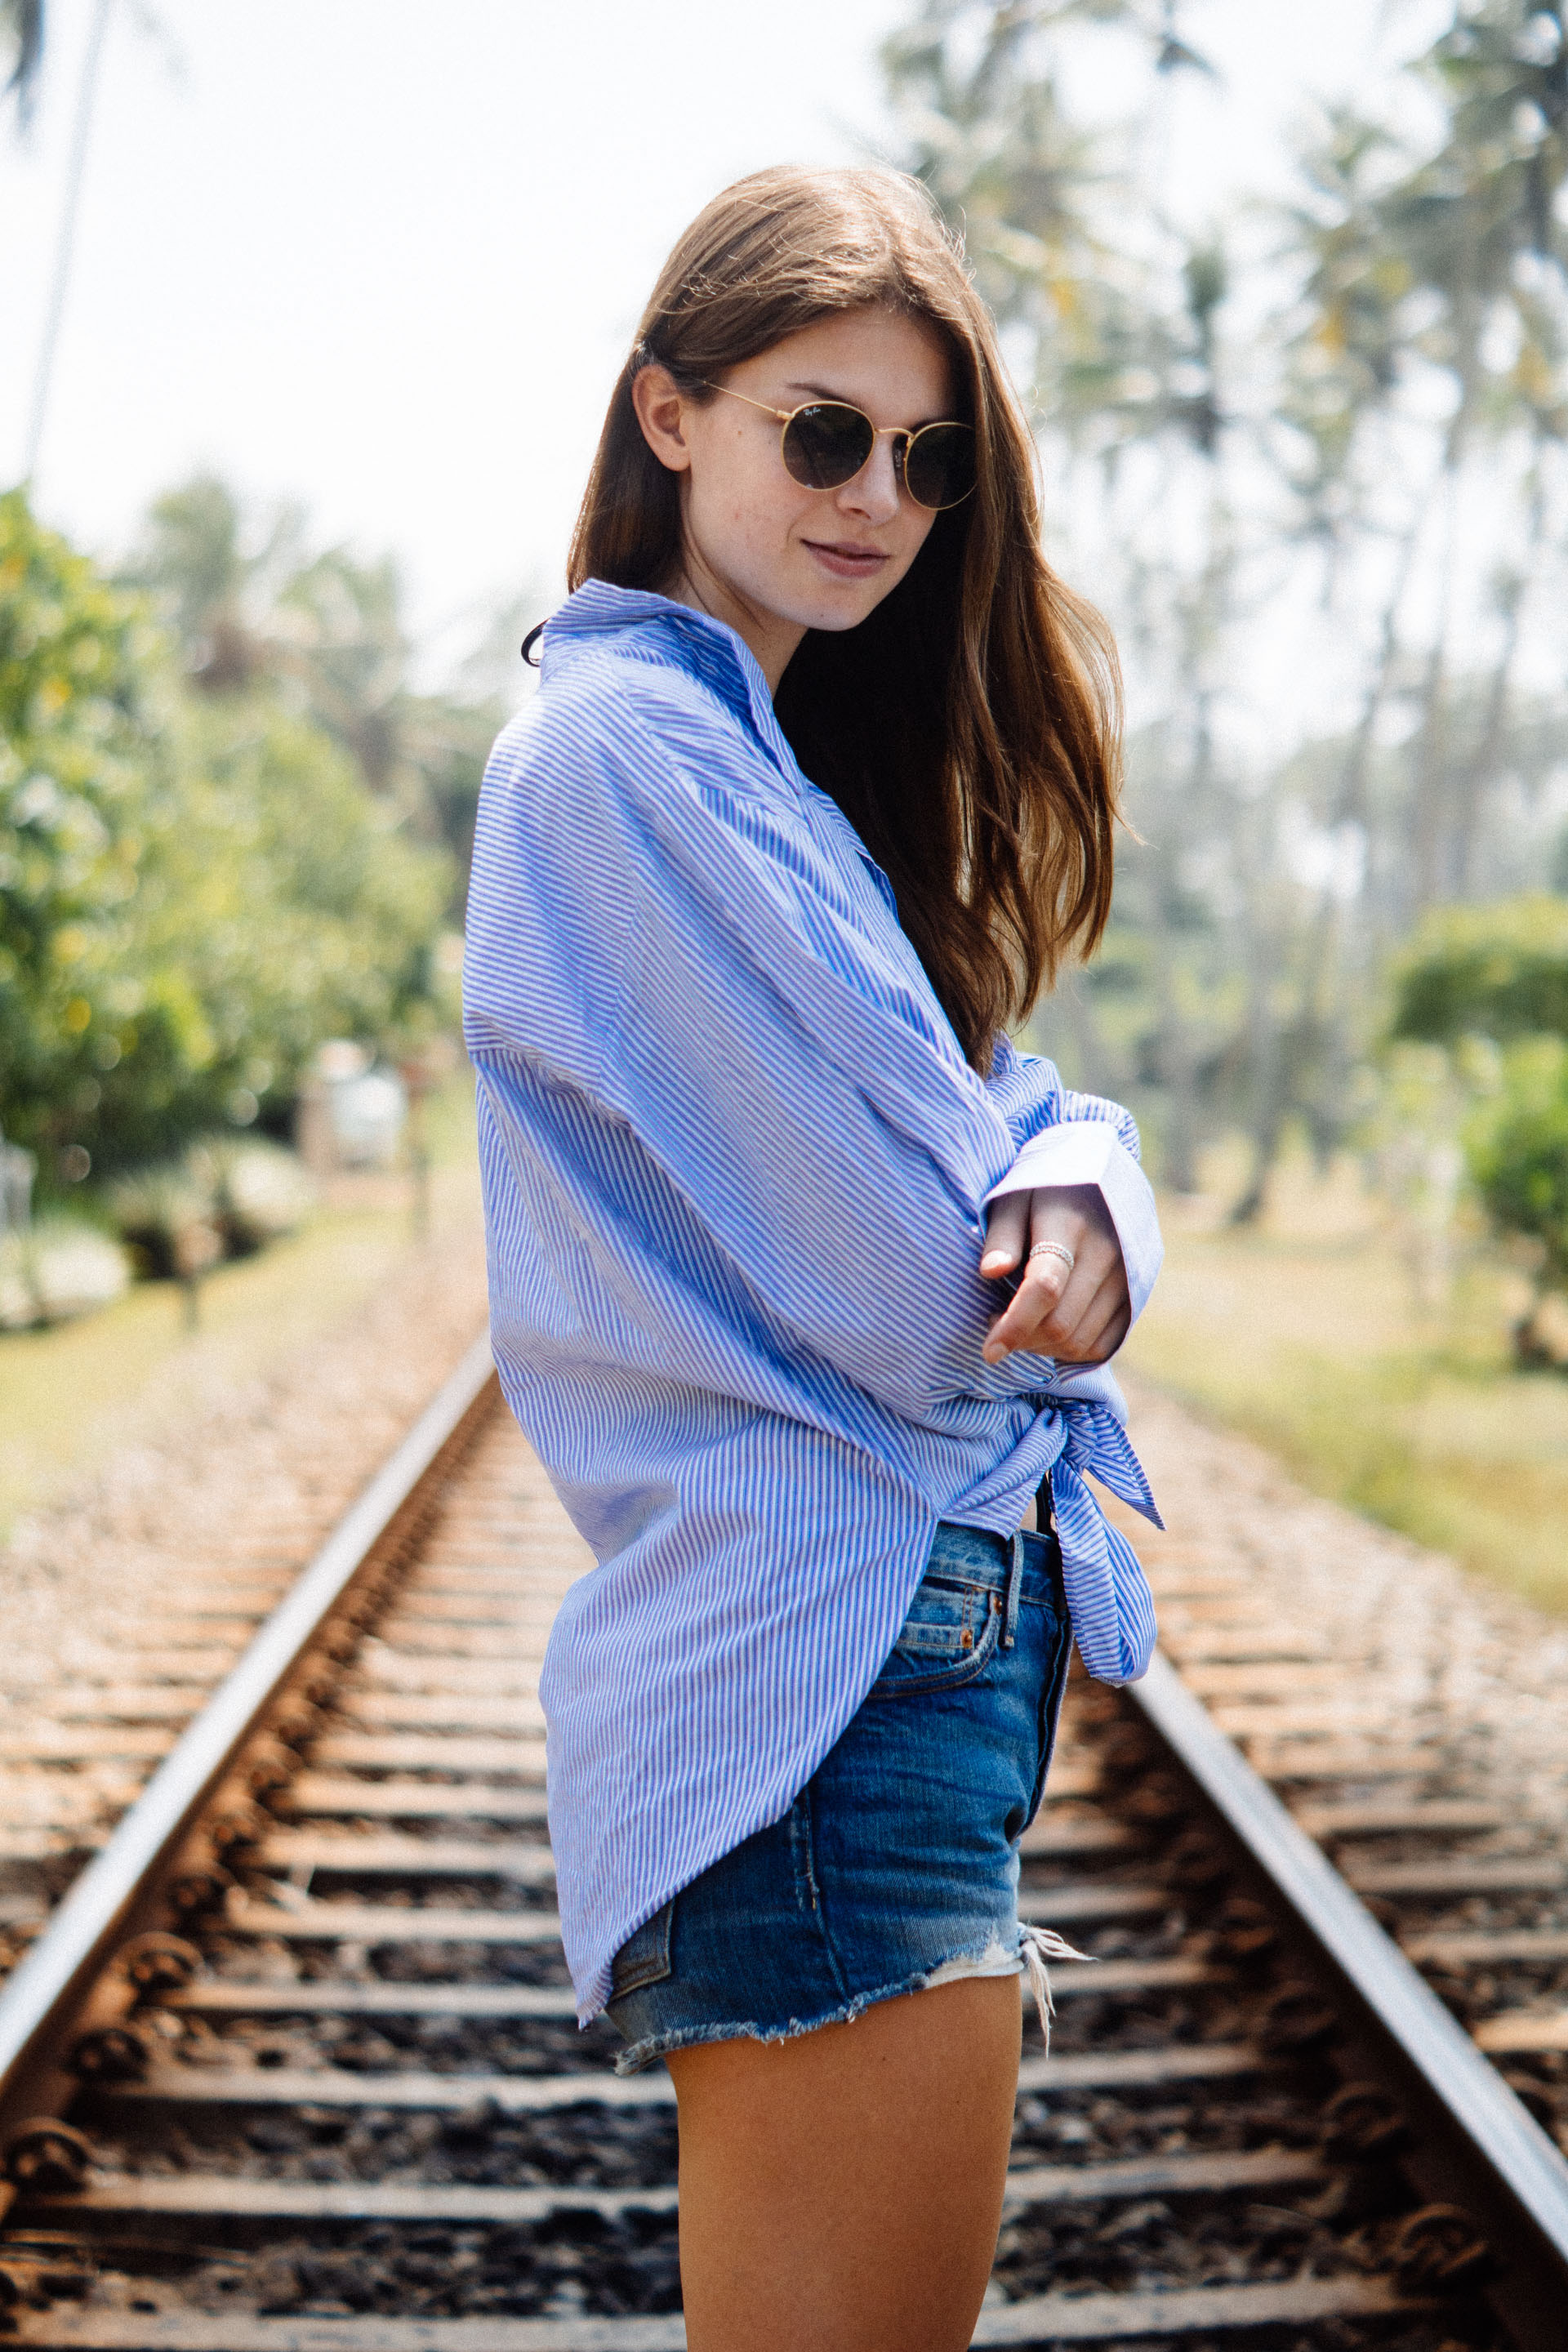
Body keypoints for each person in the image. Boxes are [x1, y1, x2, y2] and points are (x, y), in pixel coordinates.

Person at [464, 164, 1164, 2352]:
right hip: (842, 1692)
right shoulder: (630, 759)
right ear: (671, 416)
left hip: (876, 1674)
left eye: (930, 456)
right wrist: (1058, 1185)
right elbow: (912, 1287)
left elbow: (1009, 1114)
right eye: (822, 431)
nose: (884, 495)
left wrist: (1087, 1167)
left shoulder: (760, 767)